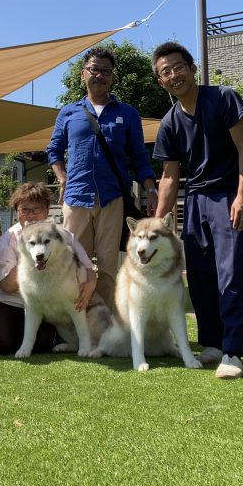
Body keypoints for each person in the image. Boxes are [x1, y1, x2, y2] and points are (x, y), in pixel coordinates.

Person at [151, 42, 243, 380]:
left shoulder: (224, 98)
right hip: (194, 200)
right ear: (161, 82)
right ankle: (211, 342)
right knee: (199, 275)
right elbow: (169, 177)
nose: (173, 75)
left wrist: (242, 196)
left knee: (232, 273)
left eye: (178, 67)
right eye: (165, 72)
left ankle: (233, 350)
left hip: (229, 194)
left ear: (193, 68)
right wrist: (157, 223)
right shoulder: (168, 123)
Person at [47, 47, 158, 309]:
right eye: (94, 69)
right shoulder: (68, 112)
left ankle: (106, 321)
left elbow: (139, 155)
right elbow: (53, 150)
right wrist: (62, 178)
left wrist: (151, 189)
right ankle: (76, 321)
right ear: (83, 74)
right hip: (76, 197)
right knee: (74, 262)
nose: (99, 75)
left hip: (113, 197)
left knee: (109, 264)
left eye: (106, 71)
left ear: (112, 77)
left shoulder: (127, 113)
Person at [0, 181, 97, 354]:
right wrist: (27, 256)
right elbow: (7, 286)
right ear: (17, 212)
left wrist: (90, 284)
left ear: (47, 210)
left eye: (36, 209)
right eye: (24, 210)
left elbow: (88, 267)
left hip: (45, 305)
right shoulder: (8, 239)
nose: (30, 215)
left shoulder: (61, 235)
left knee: (43, 344)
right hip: (7, 301)